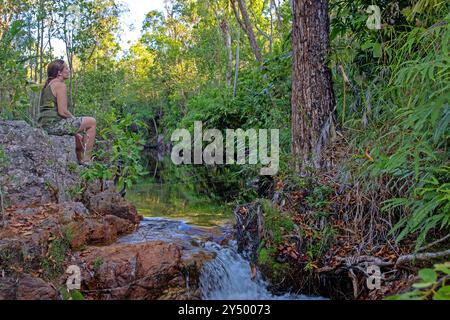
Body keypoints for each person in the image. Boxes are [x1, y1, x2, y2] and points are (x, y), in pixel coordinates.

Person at [37, 59, 96, 165]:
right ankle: (87, 160)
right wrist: (75, 121)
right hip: (53, 125)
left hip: (45, 125)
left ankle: (80, 161)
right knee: (91, 122)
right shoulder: (60, 85)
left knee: (78, 137)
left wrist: (76, 129)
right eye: (66, 68)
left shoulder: (48, 84)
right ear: (59, 72)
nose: (69, 70)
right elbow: (63, 112)